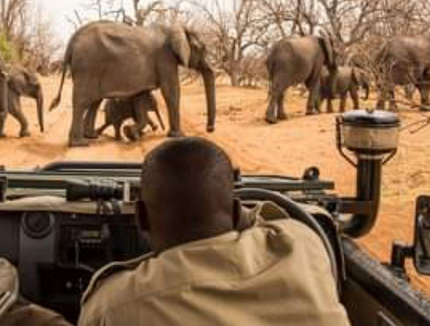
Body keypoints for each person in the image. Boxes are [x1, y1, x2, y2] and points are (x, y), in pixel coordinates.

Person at [78, 137, 350, 326]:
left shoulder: (112, 307)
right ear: (235, 211)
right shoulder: (301, 243)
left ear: (141, 219)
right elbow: (266, 217)